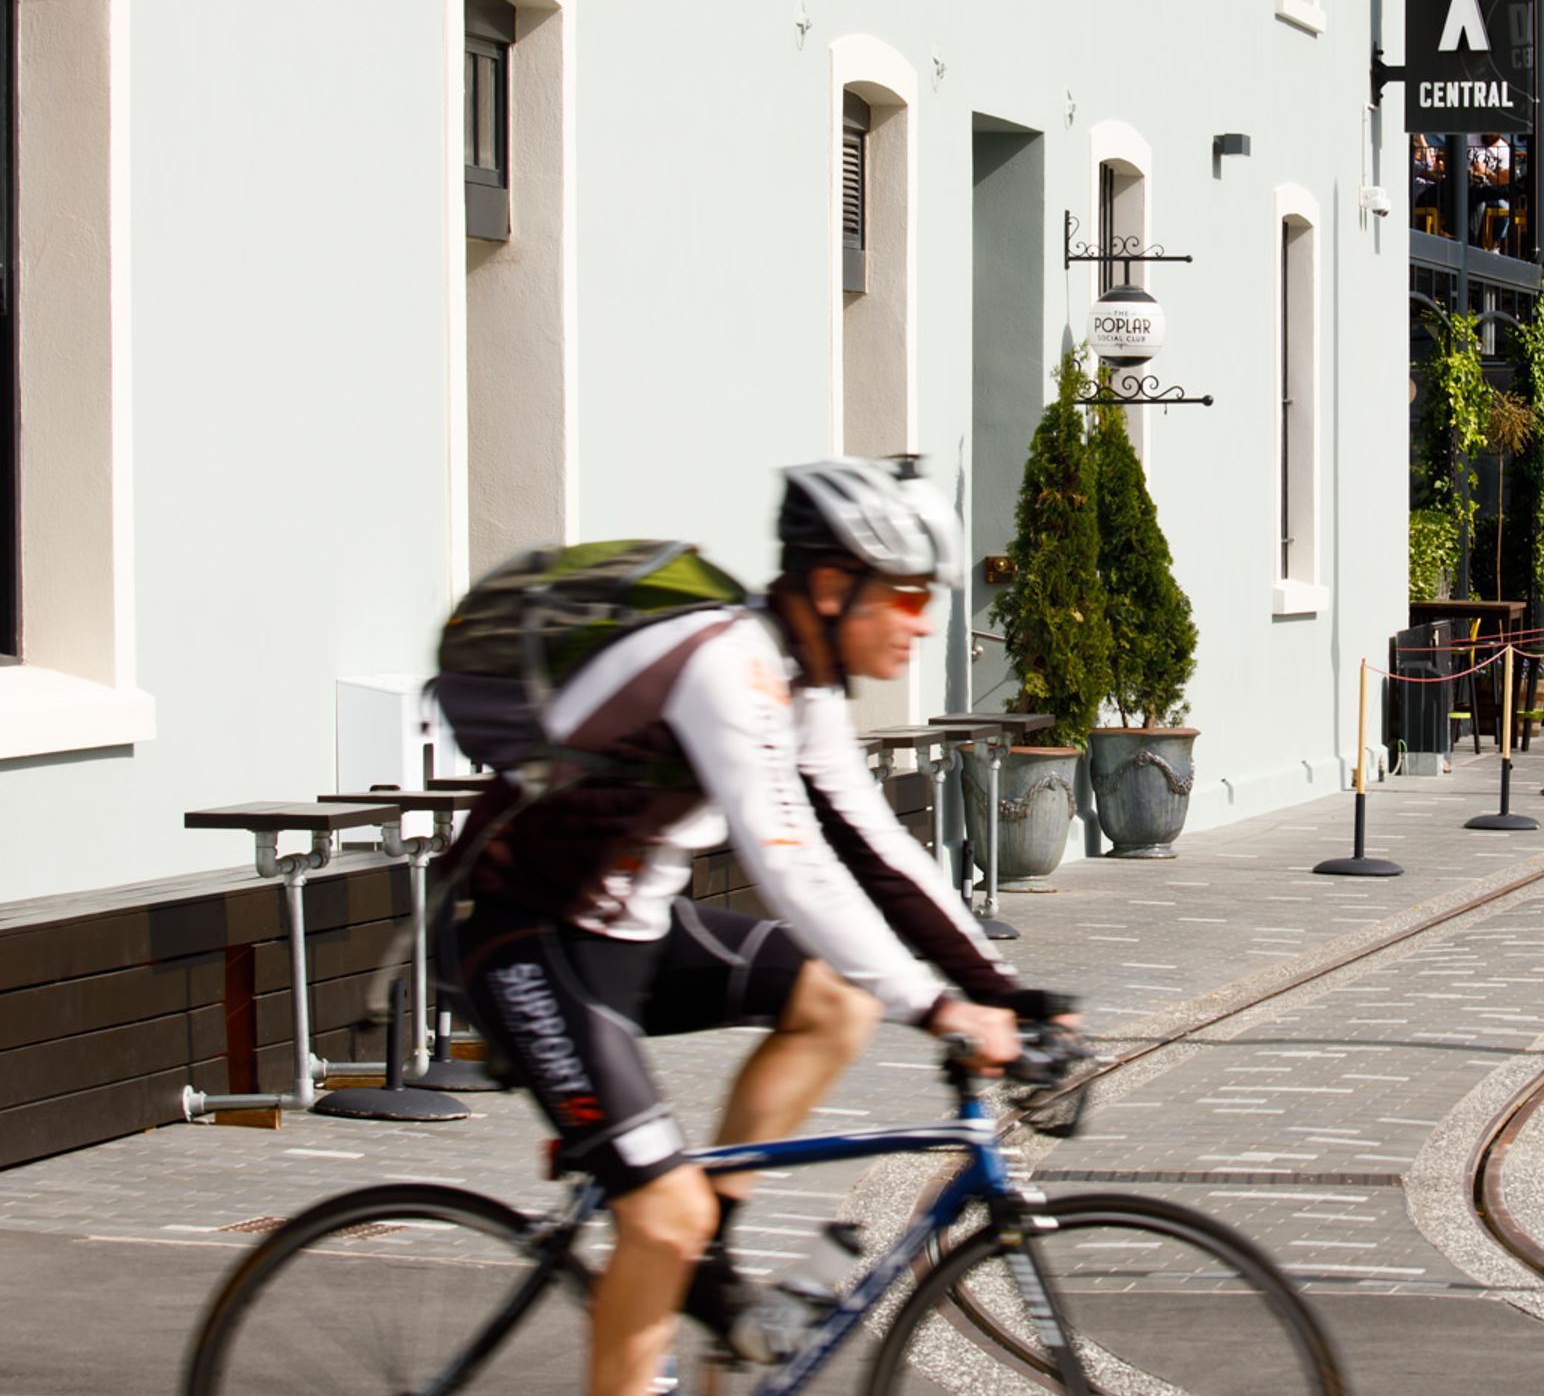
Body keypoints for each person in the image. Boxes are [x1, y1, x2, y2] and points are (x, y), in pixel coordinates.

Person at [435, 460, 1073, 1395]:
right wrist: (941, 1012)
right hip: (522, 941)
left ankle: (710, 1278)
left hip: (631, 931)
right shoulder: (725, 666)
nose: (922, 620)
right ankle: (679, 1260)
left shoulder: (799, 683)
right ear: (829, 585)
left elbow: (873, 847)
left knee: (834, 1005)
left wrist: (1005, 994)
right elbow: (794, 869)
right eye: (902, 595)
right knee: (661, 1216)